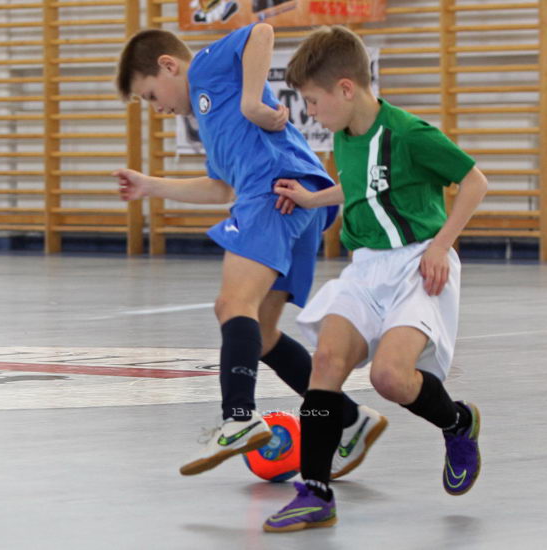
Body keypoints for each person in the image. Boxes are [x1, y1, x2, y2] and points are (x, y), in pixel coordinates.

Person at [112, 23, 387, 478]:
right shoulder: (209, 123)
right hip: (297, 201)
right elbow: (222, 188)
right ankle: (348, 419)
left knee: (232, 305)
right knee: (261, 332)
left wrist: (252, 102)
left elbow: (260, 31)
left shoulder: (205, 68)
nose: (157, 108)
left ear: (168, 65)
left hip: (273, 192)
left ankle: (238, 418)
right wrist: (150, 185)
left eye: (151, 95)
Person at [262, 26, 488, 532]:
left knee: (390, 378)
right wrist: (312, 198)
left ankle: (458, 422)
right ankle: (315, 491)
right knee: (326, 362)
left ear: (346, 88)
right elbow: (358, 185)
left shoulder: (408, 134)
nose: (309, 112)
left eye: (313, 101)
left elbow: (474, 181)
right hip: (366, 267)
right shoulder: (344, 137)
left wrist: (441, 245)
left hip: (418, 264)